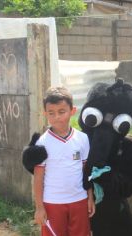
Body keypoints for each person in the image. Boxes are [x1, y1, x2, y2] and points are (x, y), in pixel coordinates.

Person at [33, 87, 95, 236]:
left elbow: (86, 171)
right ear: (45, 113)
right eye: (51, 113)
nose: (57, 117)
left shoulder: (83, 139)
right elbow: (38, 178)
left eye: (62, 112)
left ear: (72, 111)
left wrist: (90, 197)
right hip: (52, 203)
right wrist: (39, 207)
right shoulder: (42, 143)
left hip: (79, 200)